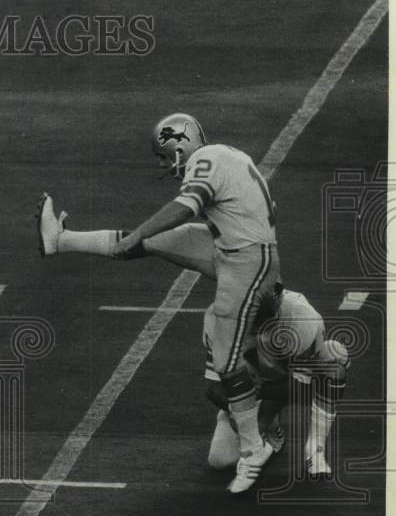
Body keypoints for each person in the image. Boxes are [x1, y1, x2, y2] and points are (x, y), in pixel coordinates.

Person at [38, 113, 280, 493]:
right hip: (233, 247)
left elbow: (185, 206)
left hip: (246, 260)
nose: (166, 165)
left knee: (226, 362)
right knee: (151, 244)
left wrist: (138, 232)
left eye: (166, 156)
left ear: (178, 143)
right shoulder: (226, 154)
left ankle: (255, 447)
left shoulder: (204, 161)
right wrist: (142, 239)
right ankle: (61, 240)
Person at [205, 284, 348, 478]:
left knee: (335, 357)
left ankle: (315, 451)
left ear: (277, 301)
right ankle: (269, 427)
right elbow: (213, 388)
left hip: (284, 379)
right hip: (247, 392)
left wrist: (259, 398)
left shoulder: (301, 317)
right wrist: (238, 408)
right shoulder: (218, 319)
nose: (258, 324)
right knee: (220, 460)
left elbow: (300, 389)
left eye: (264, 314)